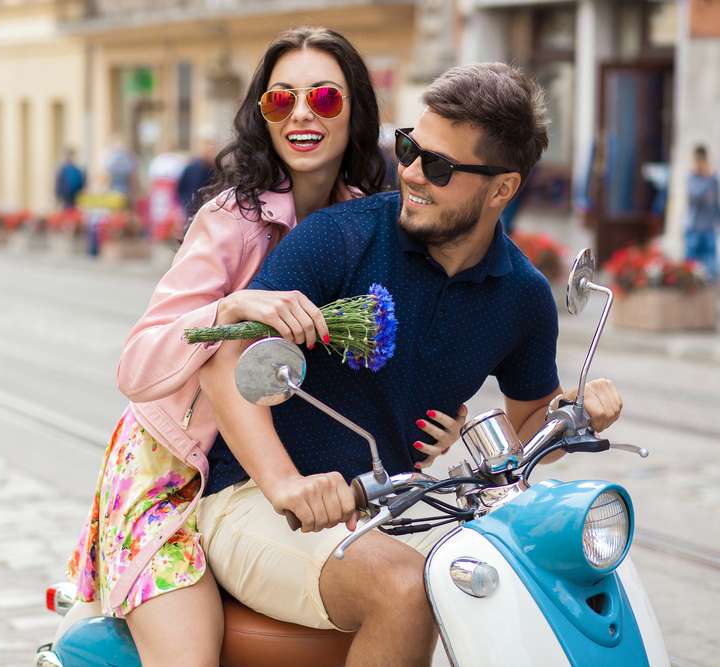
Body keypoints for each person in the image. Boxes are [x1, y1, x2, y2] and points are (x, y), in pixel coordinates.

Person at [197, 62, 624, 666]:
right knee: (405, 588)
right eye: (409, 149)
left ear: (502, 188)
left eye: (440, 166)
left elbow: (532, 427)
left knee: (502, 578)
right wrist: (286, 485)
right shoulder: (341, 239)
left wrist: (577, 411)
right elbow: (225, 365)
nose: (413, 174)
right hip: (253, 501)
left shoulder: (522, 296)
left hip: (385, 510)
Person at [64, 27, 467, 667]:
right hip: (173, 480)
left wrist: (443, 419)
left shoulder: (367, 223)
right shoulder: (232, 220)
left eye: (325, 100)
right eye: (281, 102)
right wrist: (228, 307)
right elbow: (136, 364)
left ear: (357, 110)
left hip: (279, 479)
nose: (302, 115)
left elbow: (389, 350)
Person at [685, 144, 719, 281]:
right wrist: (708, 179)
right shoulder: (691, 177)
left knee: (711, 269)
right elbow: (695, 196)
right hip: (693, 227)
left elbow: (716, 201)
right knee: (691, 267)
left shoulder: (713, 178)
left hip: (709, 227)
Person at [176, 137, 216, 218]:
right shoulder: (191, 167)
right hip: (191, 208)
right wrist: (185, 203)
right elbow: (180, 188)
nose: (209, 151)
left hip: (208, 208)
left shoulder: (215, 169)